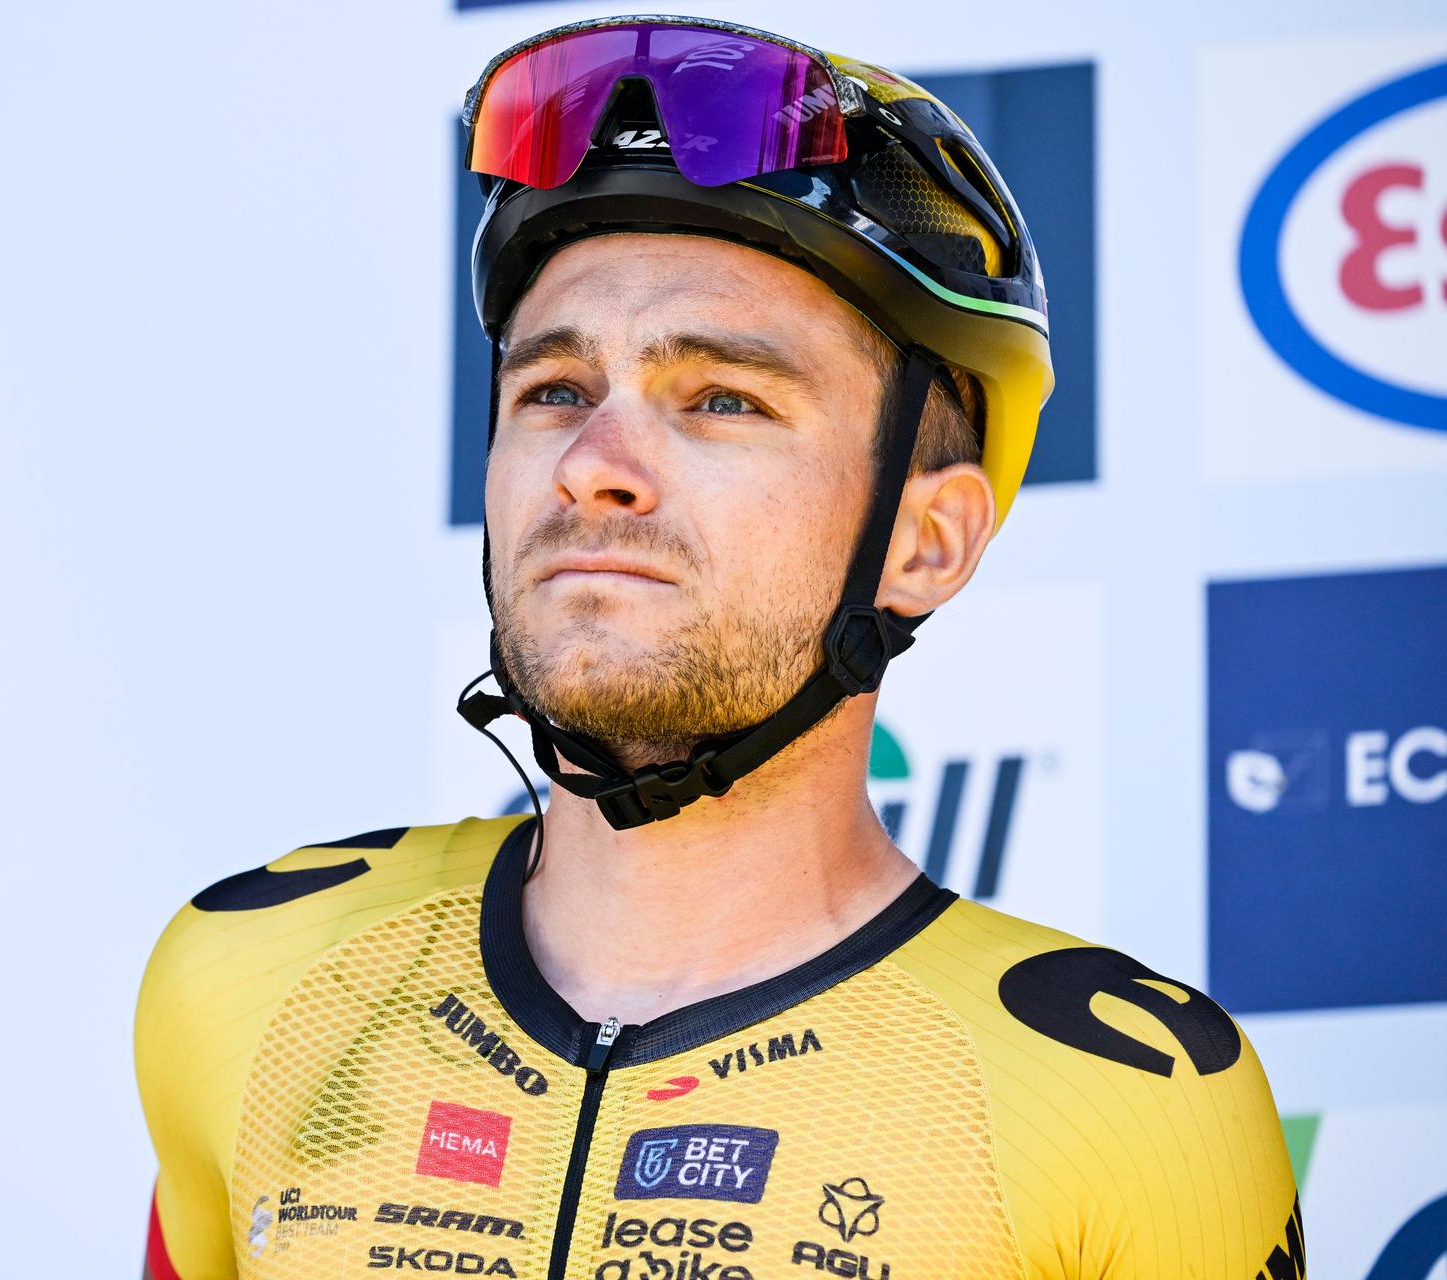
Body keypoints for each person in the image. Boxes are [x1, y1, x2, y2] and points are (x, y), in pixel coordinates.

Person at [134, 16, 1301, 1280]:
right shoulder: (247, 975)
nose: (593, 467)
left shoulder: (1129, 1106)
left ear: (926, 541)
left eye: (722, 399)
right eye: (555, 391)